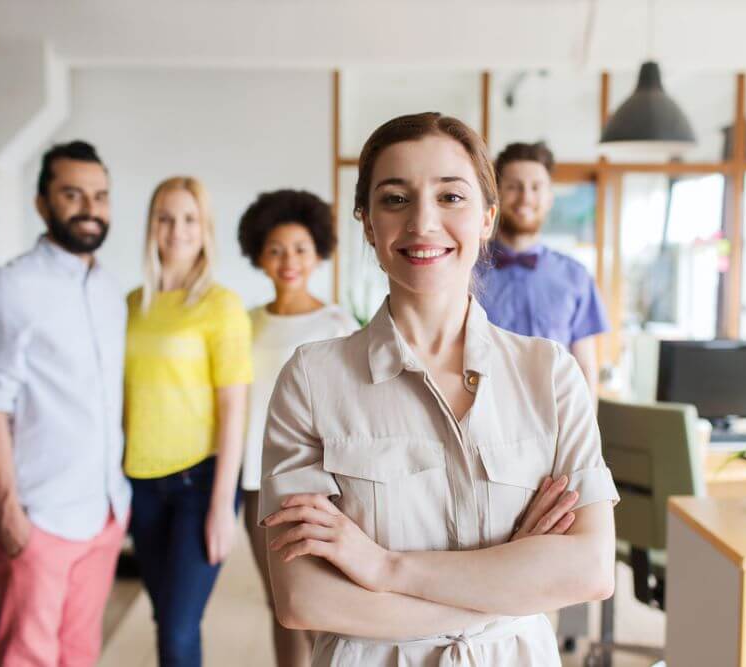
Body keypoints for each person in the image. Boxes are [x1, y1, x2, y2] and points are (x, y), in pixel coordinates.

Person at [259, 113, 619, 666]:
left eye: (451, 197)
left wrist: (383, 568)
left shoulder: (550, 375)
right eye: (396, 199)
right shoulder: (311, 380)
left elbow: (590, 570)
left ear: (486, 220)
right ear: (368, 224)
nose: (423, 223)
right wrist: (513, 581)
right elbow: (305, 600)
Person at [0, 140, 130, 666]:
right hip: (38, 517)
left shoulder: (110, 291)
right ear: (42, 204)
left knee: (80, 653)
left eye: (100, 196)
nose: (90, 208)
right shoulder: (8, 289)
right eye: (73, 194)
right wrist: (8, 511)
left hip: (104, 511)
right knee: (26, 656)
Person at [123, 176, 252, 666]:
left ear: (205, 229)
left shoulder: (221, 306)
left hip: (198, 484)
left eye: (189, 218)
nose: (177, 230)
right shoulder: (134, 305)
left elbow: (233, 410)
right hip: (140, 483)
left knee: (178, 629)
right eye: (166, 217)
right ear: (152, 227)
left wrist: (221, 506)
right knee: (167, 621)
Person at [237, 188, 360, 666]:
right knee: (280, 602)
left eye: (300, 249)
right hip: (254, 481)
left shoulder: (337, 323)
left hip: (315, 482)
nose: (289, 261)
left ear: (318, 254)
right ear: (259, 257)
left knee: (320, 604)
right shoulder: (244, 323)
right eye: (276, 250)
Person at [476, 141, 609, 400]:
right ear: (496, 195)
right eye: (514, 186)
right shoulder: (464, 271)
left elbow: (584, 367)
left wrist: (588, 437)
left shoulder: (576, 277)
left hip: (556, 422)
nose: (526, 197)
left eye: (536, 187)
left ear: (549, 197)